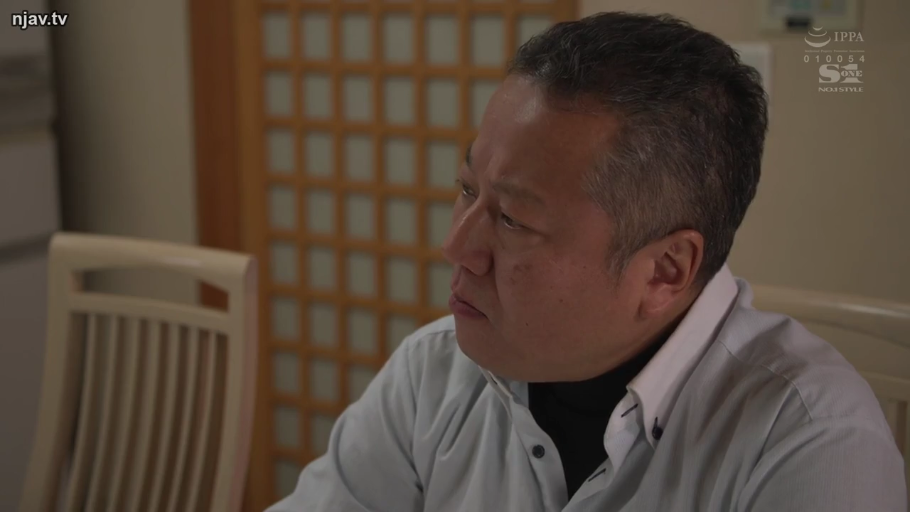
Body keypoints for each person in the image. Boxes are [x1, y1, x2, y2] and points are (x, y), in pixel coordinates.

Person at [267, 11, 906, 512]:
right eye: (467, 189)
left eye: (513, 220)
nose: (457, 246)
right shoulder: (433, 374)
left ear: (665, 270)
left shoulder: (808, 442)